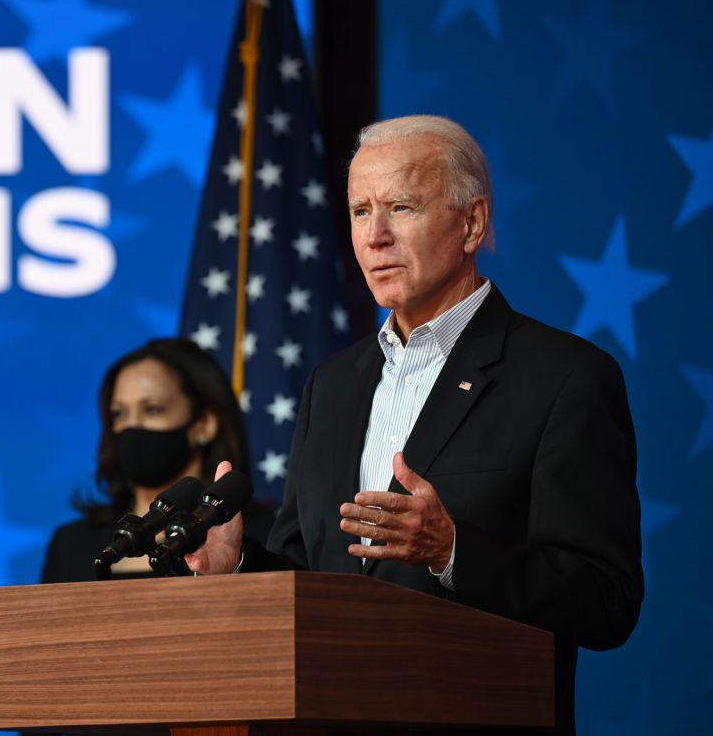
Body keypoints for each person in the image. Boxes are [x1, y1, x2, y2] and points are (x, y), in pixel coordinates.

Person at [187, 115, 643, 735]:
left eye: (401, 207)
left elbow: (605, 600)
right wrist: (240, 567)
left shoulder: (562, 377)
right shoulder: (332, 385)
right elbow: (315, 586)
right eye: (358, 211)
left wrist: (453, 552)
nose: (375, 235)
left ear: (472, 223)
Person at [40, 337, 274, 583]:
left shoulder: (259, 538)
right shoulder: (72, 544)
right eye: (119, 414)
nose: (132, 427)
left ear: (204, 424)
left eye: (152, 409)